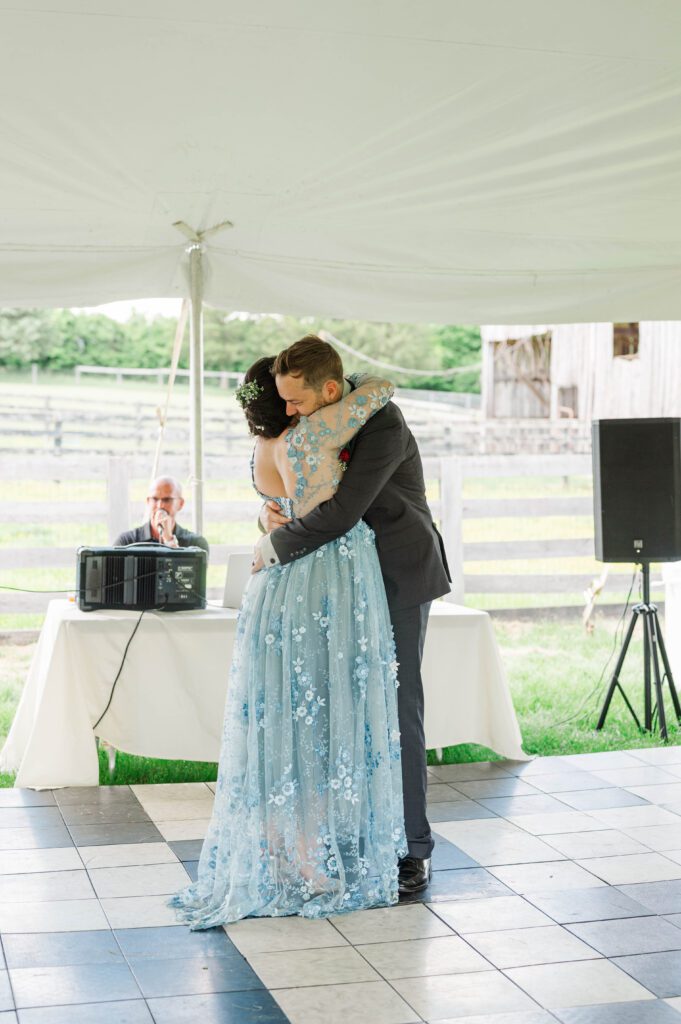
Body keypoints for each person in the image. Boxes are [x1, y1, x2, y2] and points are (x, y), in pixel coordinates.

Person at [170, 354, 406, 927]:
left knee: (279, 717)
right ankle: (303, 858)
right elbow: (377, 392)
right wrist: (349, 384)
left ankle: (281, 847)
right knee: (319, 719)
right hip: (321, 575)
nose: (296, 405)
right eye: (289, 398)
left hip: (272, 585)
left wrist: (265, 522)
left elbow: (273, 508)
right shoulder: (309, 435)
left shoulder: (261, 450)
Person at [255, 335, 451, 895]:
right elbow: (309, 490)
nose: (289, 412)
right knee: (345, 702)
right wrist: (273, 516)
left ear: (332, 389)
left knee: (396, 705)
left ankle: (414, 849)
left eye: (296, 401)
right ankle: (359, 830)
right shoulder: (322, 420)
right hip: (342, 582)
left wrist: (276, 545)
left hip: (398, 575)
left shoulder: (382, 425)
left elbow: (343, 511)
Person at [113, 476, 209, 555]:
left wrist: (169, 540)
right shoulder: (127, 542)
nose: (160, 505)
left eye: (167, 500)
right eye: (155, 499)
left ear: (180, 504)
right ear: (148, 502)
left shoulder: (196, 544)